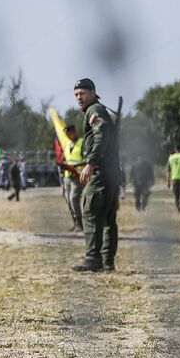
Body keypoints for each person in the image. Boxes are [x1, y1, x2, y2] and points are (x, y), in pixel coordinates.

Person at [71, 79, 119, 272]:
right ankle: (107, 262)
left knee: (91, 212)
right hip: (111, 172)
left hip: (101, 173)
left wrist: (90, 164)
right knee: (107, 217)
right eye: (76, 95)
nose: (79, 98)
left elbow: (100, 137)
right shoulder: (98, 110)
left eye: (82, 94)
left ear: (92, 92)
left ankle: (93, 259)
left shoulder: (95, 111)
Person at [60, 124, 85, 232]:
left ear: (74, 132)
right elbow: (67, 158)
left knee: (73, 199)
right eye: (66, 134)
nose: (68, 136)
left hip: (77, 176)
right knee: (69, 201)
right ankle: (75, 223)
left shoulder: (82, 143)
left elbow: (88, 159)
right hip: (67, 176)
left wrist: (76, 165)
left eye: (69, 133)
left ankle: (80, 224)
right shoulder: (68, 144)